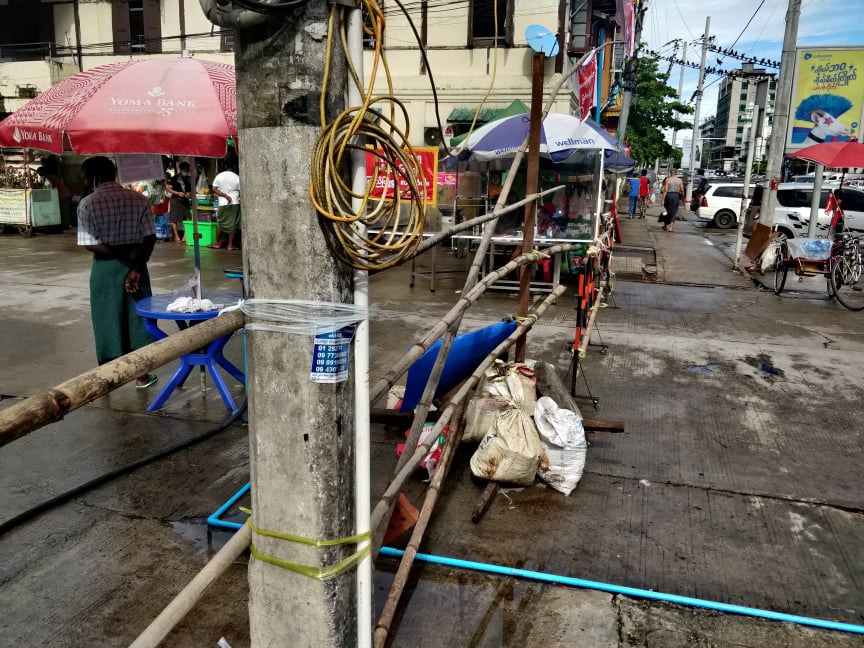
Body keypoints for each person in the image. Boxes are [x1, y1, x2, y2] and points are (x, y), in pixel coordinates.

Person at [76, 156, 158, 390]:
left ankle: (108, 377)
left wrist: (117, 252)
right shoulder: (139, 200)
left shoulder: (87, 204)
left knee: (107, 319)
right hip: (137, 266)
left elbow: (88, 243)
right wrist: (135, 264)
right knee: (138, 319)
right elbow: (150, 237)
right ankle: (142, 375)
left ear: (93, 177)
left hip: (105, 267)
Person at [210, 160, 241, 250]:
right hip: (235, 202)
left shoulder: (219, 176)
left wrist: (225, 196)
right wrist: (229, 196)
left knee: (220, 223)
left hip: (223, 203)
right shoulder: (237, 177)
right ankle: (230, 245)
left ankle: (216, 243)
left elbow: (214, 189)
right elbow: (240, 191)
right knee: (233, 223)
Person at [37, 157, 73, 229]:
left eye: (40, 174)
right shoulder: (52, 176)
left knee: (64, 211)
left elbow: (50, 187)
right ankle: (65, 224)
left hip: (63, 195)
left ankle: (66, 225)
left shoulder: (50, 177)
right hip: (64, 194)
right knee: (64, 211)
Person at [167, 161, 192, 243]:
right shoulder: (175, 178)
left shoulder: (188, 179)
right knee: (174, 218)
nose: (186, 170)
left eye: (187, 169)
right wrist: (178, 193)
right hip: (175, 200)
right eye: (185, 169)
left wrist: (188, 193)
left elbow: (190, 190)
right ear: (181, 169)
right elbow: (168, 188)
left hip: (184, 200)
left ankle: (185, 236)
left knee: (189, 217)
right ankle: (176, 236)